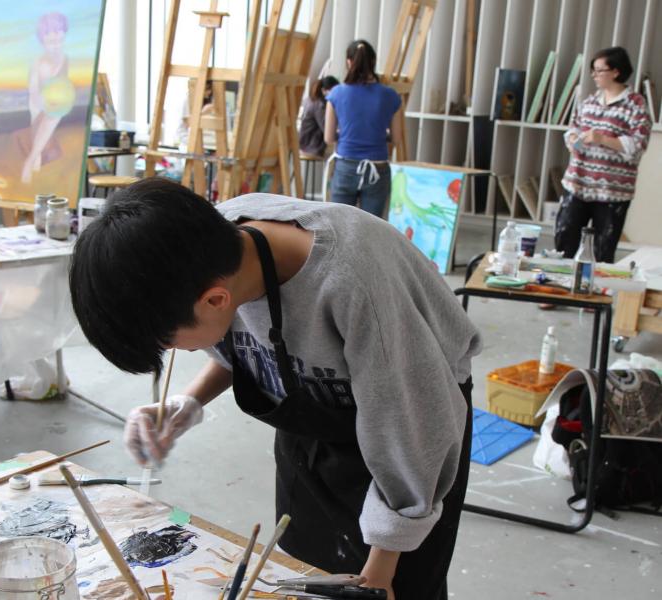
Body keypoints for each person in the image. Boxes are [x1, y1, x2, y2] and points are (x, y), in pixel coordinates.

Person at [69, 177, 482, 600]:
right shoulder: (215, 249)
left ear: (214, 300)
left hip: (415, 429)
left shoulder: (355, 286)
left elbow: (412, 442)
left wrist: (378, 574)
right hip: (317, 416)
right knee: (303, 569)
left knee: (399, 585)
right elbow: (250, 337)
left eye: (169, 343)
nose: (174, 351)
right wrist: (188, 402)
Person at [555, 46, 651, 262]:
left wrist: (602, 139)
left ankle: (594, 292)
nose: (594, 75)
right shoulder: (589, 102)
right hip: (577, 183)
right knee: (564, 241)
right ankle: (560, 291)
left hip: (612, 192)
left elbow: (639, 144)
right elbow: (573, 127)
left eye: (599, 71)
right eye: (593, 70)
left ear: (616, 72)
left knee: (602, 251)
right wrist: (572, 139)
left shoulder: (636, 105)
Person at [325, 40, 402, 218]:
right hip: (377, 168)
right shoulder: (390, 95)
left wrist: (348, 135)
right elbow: (396, 139)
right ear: (374, 62)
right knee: (371, 230)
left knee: (339, 226)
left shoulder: (336, 93)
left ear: (349, 62)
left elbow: (328, 138)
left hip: (346, 166)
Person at [21, 12, 74, 184]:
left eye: (59, 38)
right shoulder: (39, 62)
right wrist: (42, 104)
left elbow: (64, 85)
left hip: (56, 103)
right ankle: (31, 160)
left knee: (53, 119)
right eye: (51, 40)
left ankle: (32, 159)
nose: (56, 44)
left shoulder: (65, 58)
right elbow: (34, 93)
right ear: (42, 40)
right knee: (41, 129)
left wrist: (61, 99)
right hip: (38, 103)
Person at [299, 75, 339, 157]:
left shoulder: (309, 100)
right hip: (311, 147)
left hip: (303, 144)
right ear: (323, 91)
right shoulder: (319, 106)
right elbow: (326, 129)